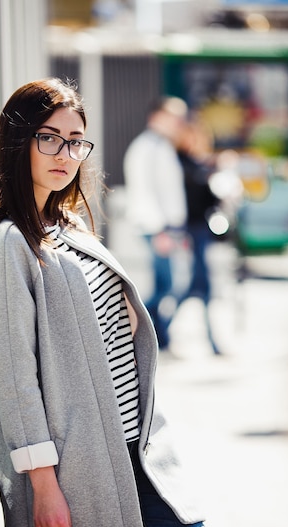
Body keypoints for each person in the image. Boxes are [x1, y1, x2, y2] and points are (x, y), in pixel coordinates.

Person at [0, 78, 221, 527]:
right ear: (19, 141)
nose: (66, 153)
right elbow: (15, 374)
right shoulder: (10, 241)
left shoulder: (67, 225)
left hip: (139, 452)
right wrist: (42, 484)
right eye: (50, 138)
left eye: (76, 141)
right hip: (77, 468)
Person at [123, 97, 188, 350]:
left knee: (167, 284)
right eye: (173, 116)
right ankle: (143, 335)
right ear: (156, 117)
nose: (178, 122)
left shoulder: (163, 146)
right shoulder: (145, 148)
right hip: (156, 227)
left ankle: (156, 338)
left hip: (167, 228)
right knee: (167, 284)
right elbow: (144, 191)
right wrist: (160, 229)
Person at [176, 119, 222, 355]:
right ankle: (160, 328)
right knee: (191, 286)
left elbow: (211, 201)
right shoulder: (179, 162)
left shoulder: (201, 164)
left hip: (202, 230)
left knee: (201, 286)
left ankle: (212, 341)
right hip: (187, 231)